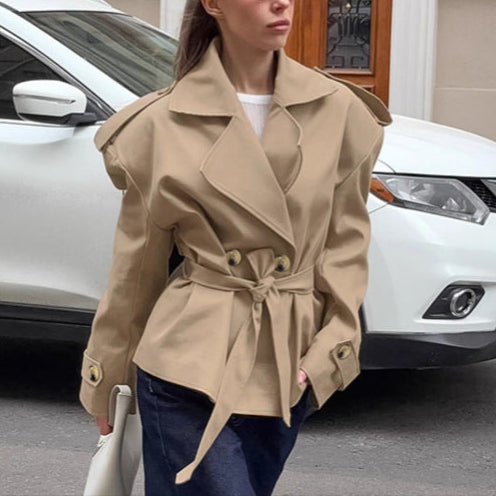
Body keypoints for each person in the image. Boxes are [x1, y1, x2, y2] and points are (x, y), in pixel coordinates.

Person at [79, 0, 392, 494]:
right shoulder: (158, 123)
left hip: (286, 369)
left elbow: (345, 250)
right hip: (185, 363)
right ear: (214, 5)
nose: (281, 3)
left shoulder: (341, 113)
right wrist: (107, 379)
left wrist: (329, 350)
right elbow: (136, 271)